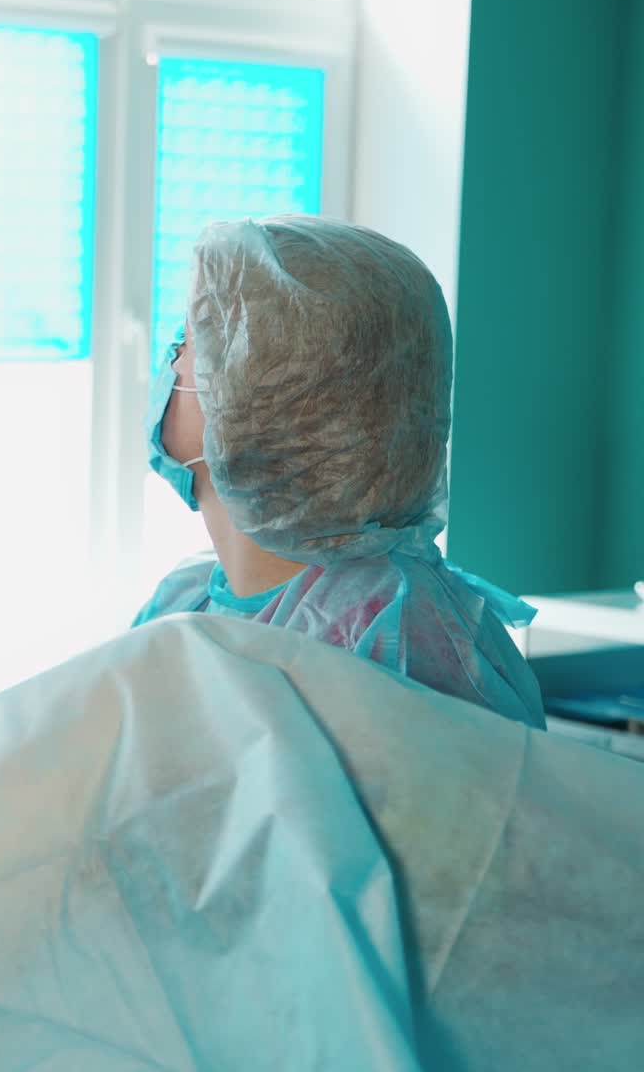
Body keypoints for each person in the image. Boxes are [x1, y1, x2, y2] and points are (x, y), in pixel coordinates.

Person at [141, 215, 545, 728]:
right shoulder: (190, 594)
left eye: (185, 343)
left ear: (258, 399)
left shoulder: (387, 629)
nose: (166, 364)